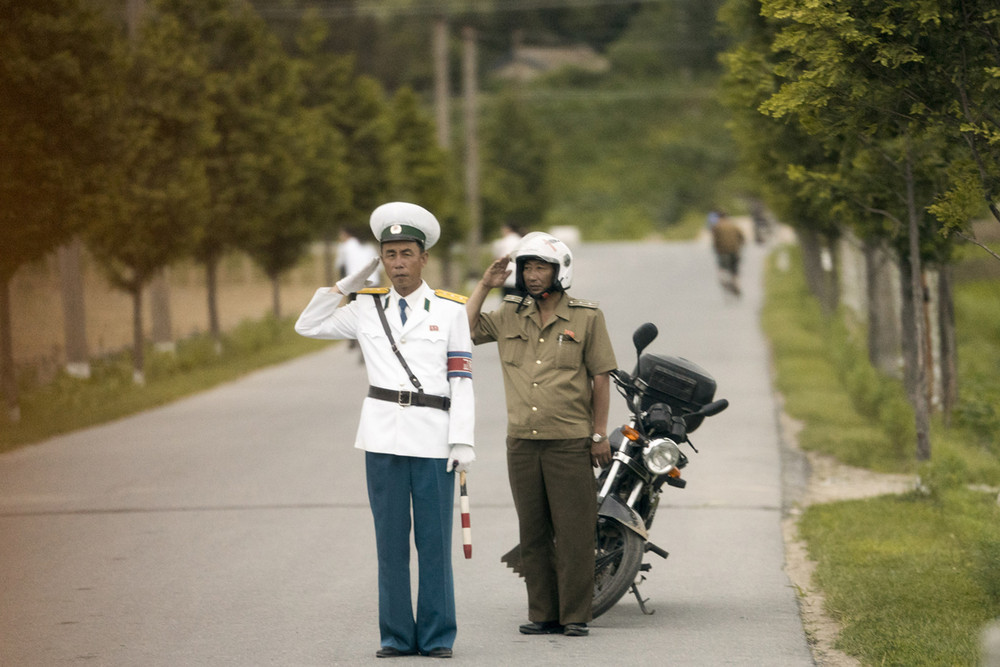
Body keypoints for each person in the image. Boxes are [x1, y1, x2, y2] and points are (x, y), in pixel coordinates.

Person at [295, 202, 476, 659]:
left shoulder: (451, 310)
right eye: (390, 254)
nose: (398, 263)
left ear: (424, 257)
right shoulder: (366, 307)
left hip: (434, 438)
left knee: (434, 545)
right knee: (390, 545)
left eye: (406, 253)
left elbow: (461, 379)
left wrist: (463, 440)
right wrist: (350, 282)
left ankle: (436, 637)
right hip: (381, 438)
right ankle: (396, 636)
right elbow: (307, 324)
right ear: (382, 259)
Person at [466, 231, 617, 638]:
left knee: (574, 531)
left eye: (540, 267)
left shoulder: (587, 316)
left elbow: (601, 377)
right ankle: (543, 613)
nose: (532, 276)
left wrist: (599, 434)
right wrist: (485, 285)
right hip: (522, 441)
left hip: (569, 440)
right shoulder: (510, 312)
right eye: (527, 267)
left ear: (559, 271)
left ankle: (575, 616)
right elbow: (462, 331)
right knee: (532, 531)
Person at [710, 212, 745, 296]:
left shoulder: (717, 227)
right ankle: (735, 282)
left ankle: (725, 281)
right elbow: (742, 237)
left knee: (723, 267)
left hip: (723, 251)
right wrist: (739, 246)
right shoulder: (734, 226)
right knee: (735, 269)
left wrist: (716, 249)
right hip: (735, 250)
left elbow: (715, 241)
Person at [491, 222, 523, 297]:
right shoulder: (522, 240)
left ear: (507, 229)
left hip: (506, 276)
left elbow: (496, 259)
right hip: (520, 276)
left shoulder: (501, 242)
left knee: (507, 302)